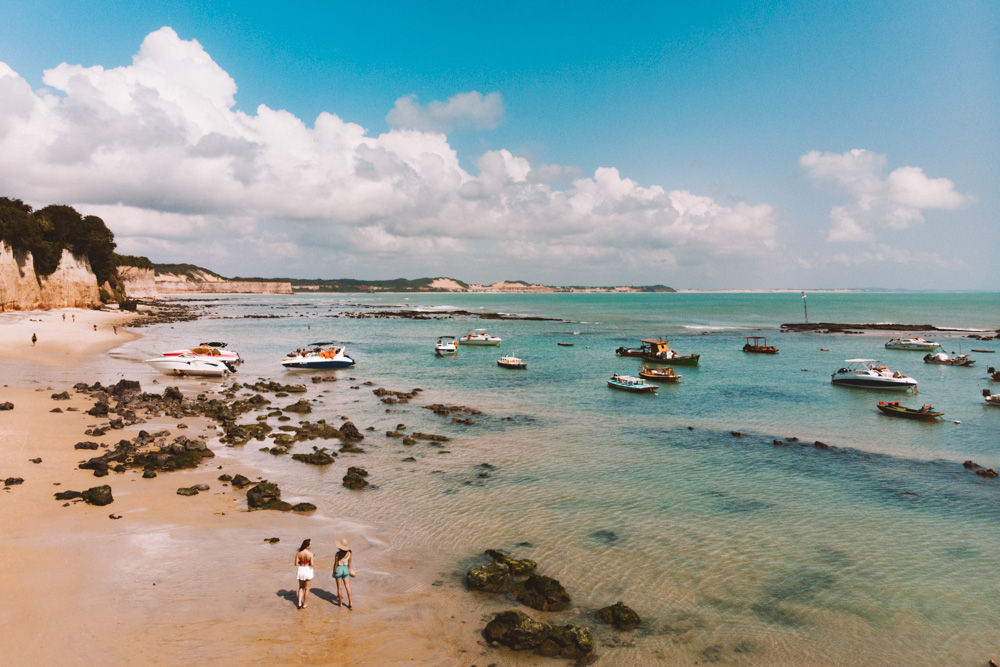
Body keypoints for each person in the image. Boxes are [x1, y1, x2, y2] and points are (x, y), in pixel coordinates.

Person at [332, 539, 353, 609]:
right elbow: (349, 563)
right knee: (348, 586)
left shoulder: (337, 554)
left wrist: (334, 571)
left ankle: (340, 603)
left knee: (339, 588)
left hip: (339, 569)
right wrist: (348, 570)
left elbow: (335, 564)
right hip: (346, 569)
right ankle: (350, 603)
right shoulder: (349, 553)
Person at [294, 539, 314, 609]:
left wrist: (301, 562)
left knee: (301, 587)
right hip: (308, 570)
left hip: (301, 569)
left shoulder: (298, 553)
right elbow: (312, 564)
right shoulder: (310, 554)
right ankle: (304, 604)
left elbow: (296, 564)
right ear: (307, 546)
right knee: (307, 588)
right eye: (310, 544)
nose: (311, 545)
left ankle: (299, 603)